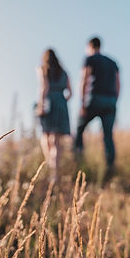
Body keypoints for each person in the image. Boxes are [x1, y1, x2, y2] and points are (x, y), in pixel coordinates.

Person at [74, 37, 120, 178]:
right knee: (108, 136)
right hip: (111, 100)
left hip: (95, 99)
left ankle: (79, 163)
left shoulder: (90, 59)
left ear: (90, 46)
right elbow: (118, 84)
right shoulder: (113, 62)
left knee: (79, 129)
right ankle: (110, 168)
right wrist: (114, 101)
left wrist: (82, 103)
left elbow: (84, 80)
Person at [37, 49, 72, 181]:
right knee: (56, 142)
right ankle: (55, 173)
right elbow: (70, 92)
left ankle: (50, 166)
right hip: (61, 104)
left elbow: (43, 87)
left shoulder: (43, 69)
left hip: (48, 103)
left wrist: (41, 105)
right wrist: (62, 102)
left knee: (46, 136)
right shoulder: (64, 72)